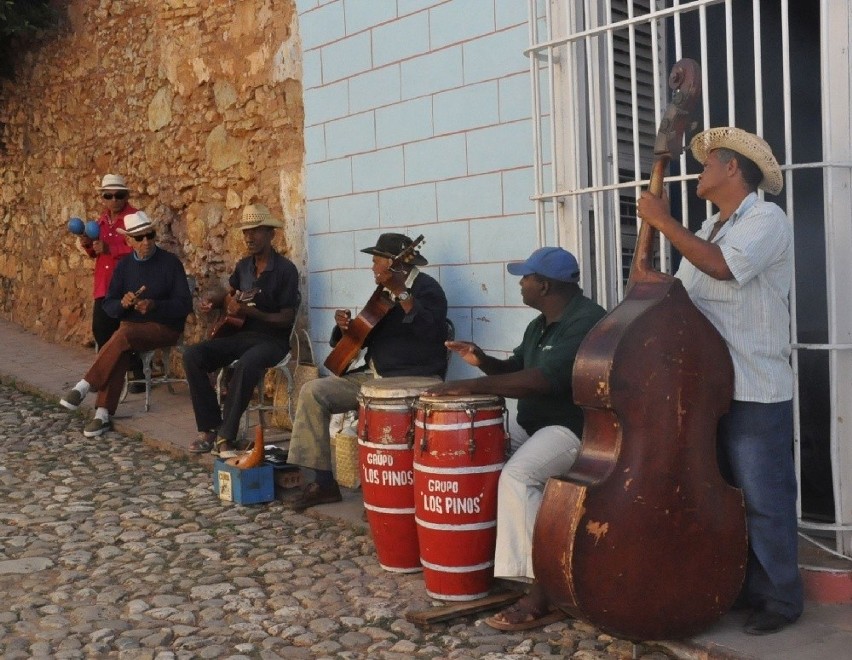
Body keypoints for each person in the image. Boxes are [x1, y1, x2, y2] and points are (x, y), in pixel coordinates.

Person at [637, 126, 802, 635]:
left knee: (764, 498)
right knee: (722, 494)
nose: (701, 171)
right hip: (710, 390)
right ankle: (739, 586)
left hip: (754, 386)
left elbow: (723, 270)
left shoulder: (766, 219)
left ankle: (780, 599)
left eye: (710, 163)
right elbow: (692, 294)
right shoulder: (710, 226)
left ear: (733, 168)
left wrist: (662, 222)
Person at [423, 246, 606, 631]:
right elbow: (517, 368)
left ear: (543, 284)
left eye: (524, 278)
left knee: (519, 477)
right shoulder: (540, 324)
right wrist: (481, 359)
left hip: (573, 430)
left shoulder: (587, 322)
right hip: (537, 422)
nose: (520, 284)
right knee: (480, 460)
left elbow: (542, 380)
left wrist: (470, 385)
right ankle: (487, 562)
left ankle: (543, 591)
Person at [283, 232, 449, 511]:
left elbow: (431, 330)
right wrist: (344, 328)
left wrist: (402, 292)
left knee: (382, 401)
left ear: (394, 265)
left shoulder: (427, 288)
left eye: (376, 261)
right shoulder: (382, 293)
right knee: (313, 392)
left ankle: (389, 497)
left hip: (412, 378)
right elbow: (361, 336)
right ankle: (322, 483)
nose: (372, 267)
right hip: (374, 377)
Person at [60, 211, 193, 436]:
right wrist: (123, 304)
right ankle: (102, 414)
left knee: (123, 335)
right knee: (122, 342)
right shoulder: (124, 267)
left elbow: (184, 305)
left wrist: (154, 306)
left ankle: (85, 385)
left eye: (150, 235)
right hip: (131, 330)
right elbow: (109, 304)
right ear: (129, 241)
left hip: (164, 328)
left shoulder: (170, 263)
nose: (147, 242)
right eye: (139, 238)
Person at [184, 204, 300, 455]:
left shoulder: (285, 270)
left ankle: (226, 435)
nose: (249, 237)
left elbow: (287, 318)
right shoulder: (244, 267)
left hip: (273, 340)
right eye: (246, 231)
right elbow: (230, 294)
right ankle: (210, 429)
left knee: (248, 363)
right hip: (242, 335)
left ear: (271, 234)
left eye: (256, 231)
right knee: (192, 355)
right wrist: (215, 301)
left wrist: (253, 313)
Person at [79, 174, 145, 391]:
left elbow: (142, 246)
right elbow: (96, 253)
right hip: (105, 284)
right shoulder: (101, 220)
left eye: (119, 195)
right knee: (101, 329)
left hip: (128, 282)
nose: (114, 200)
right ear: (103, 198)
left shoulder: (135, 218)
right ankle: (111, 373)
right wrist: (89, 245)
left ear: (126, 196)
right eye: (109, 195)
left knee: (128, 329)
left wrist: (111, 249)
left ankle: (136, 373)